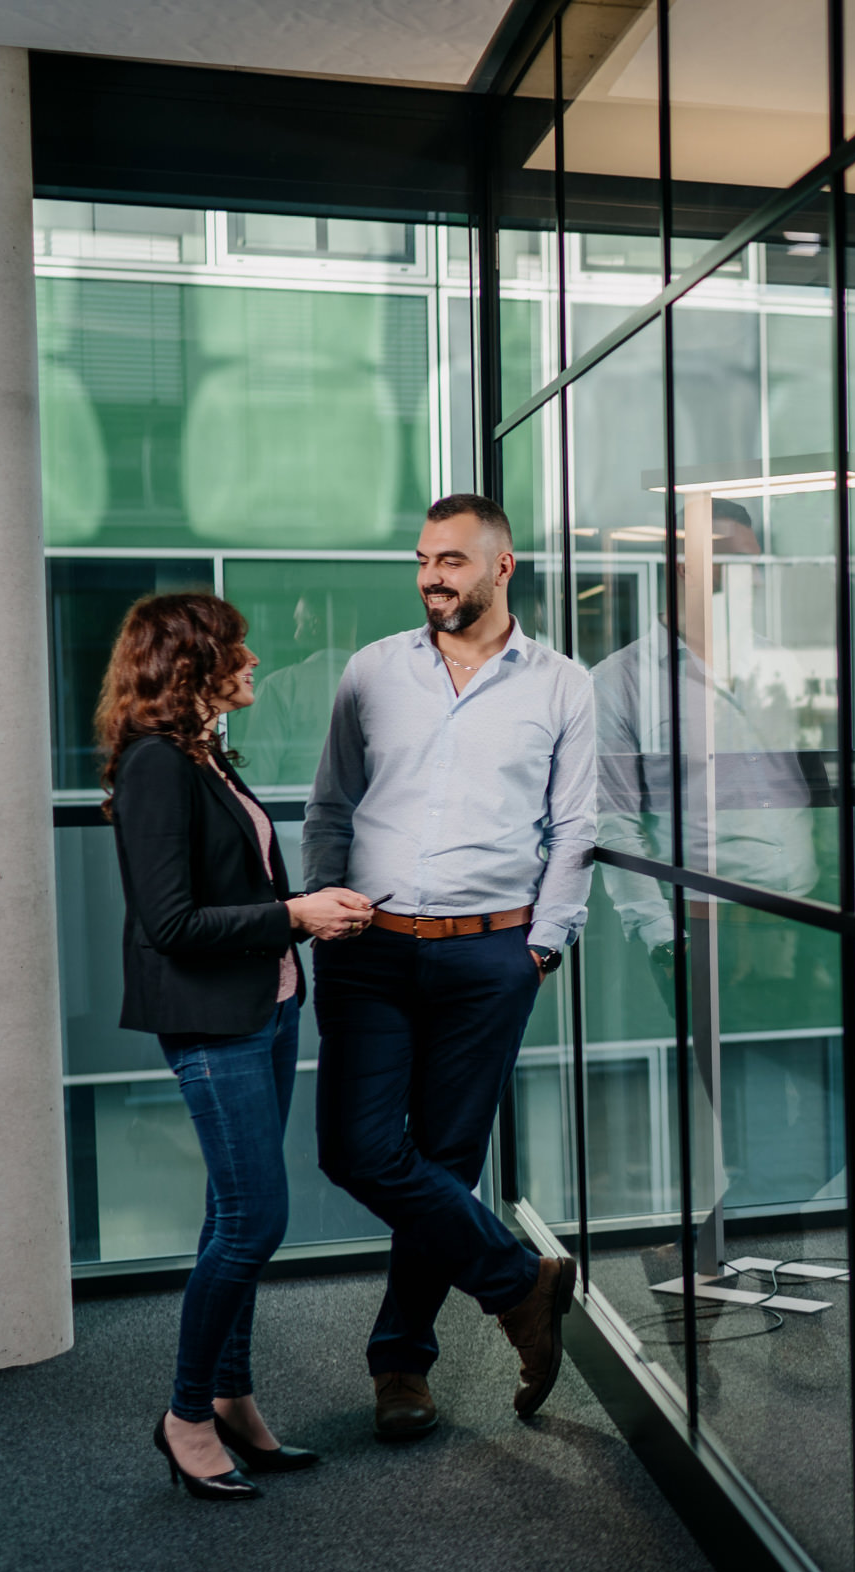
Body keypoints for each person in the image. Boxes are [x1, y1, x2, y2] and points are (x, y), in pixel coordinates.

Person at [305, 493, 595, 1442]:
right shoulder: (372, 672)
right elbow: (330, 807)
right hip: (370, 947)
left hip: (492, 952)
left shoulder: (561, 684)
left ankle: (401, 1365)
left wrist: (543, 944)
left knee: (443, 1162)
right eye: (425, 559)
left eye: (454, 561)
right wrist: (320, 907)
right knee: (357, 1150)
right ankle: (521, 1283)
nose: (433, 576)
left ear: (503, 567)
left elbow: (574, 827)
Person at [103, 593, 377, 1499]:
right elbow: (170, 920)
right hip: (214, 1019)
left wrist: (299, 926)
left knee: (233, 1216)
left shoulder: (205, 755)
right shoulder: (154, 764)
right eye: (237, 647)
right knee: (256, 1221)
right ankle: (185, 1414)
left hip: (267, 1006)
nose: (255, 659)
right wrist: (296, 915)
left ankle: (231, 1397)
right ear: (190, 663)